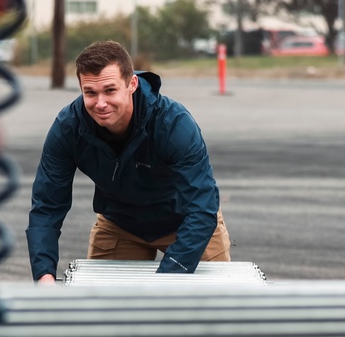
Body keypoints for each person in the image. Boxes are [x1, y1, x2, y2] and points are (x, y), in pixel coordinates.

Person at [27, 40, 231, 282]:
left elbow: (202, 208)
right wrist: (44, 276)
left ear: (131, 84)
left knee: (212, 309)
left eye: (110, 90)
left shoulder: (174, 125)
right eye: (90, 93)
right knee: (105, 312)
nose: (100, 103)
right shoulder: (68, 128)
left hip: (186, 223)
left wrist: (166, 280)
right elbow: (47, 206)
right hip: (120, 225)